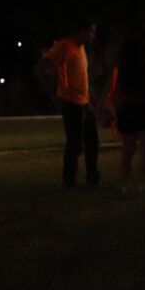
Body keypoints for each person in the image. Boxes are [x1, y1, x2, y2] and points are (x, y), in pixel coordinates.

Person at [35, 18, 100, 187]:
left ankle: (92, 177)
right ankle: (69, 180)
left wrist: (91, 99)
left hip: (84, 103)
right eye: (91, 32)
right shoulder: (65, 46)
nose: (93, 36)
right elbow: (42, 67)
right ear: (82, 31)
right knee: (74, 143)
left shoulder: (81, 49)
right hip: (71, 103)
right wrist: (53, 93)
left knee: (92, 141)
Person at [108, 38, 145, 193]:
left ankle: (125, 182)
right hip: (143, 109)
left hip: (127, 111)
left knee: (127, 150)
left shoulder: (120, 71)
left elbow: (115, 94)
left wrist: (116, 116)